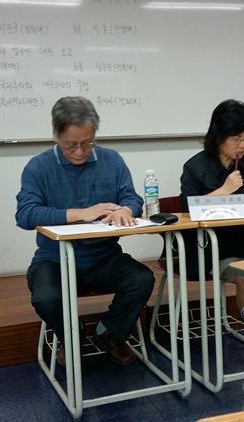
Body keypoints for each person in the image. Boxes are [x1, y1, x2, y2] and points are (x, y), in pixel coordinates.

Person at [15, 96, 155, 366]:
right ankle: (72, 335)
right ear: (55, 135)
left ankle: (109, 333)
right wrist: (81, 213)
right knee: (45, 298)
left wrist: (127, 210)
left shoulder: (111, 160)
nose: (80, 151)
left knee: (141, 279)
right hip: (55, 259)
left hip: (104, 257)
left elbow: (132, 198)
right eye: (71, 144)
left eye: (88, 143)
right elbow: (25, 214)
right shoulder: (38, 166)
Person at [180, 99, 244, 312]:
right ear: (218, 136)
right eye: (236, 139)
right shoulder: (195, 166)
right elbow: (188, 209)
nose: (243, 145)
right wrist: (224, 191)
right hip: (211, 245)